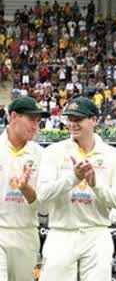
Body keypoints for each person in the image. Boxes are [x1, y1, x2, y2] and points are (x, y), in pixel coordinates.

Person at [37, 97, 116, 281]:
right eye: (69, 119)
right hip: (61, 232)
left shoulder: (112, 155)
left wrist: (96, 185)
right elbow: (42, 195)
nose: (72, 124)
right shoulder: (54, 152)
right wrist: (74, 178)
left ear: (93, 120)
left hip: (96, 233)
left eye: (78, 119)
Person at [0, 97, 49, 281]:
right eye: (31, 119)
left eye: (38, 121)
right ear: (13, 116)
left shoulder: (42, 155)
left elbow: (44, 208)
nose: (35, 125)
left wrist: (27, 189)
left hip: (26, 232)